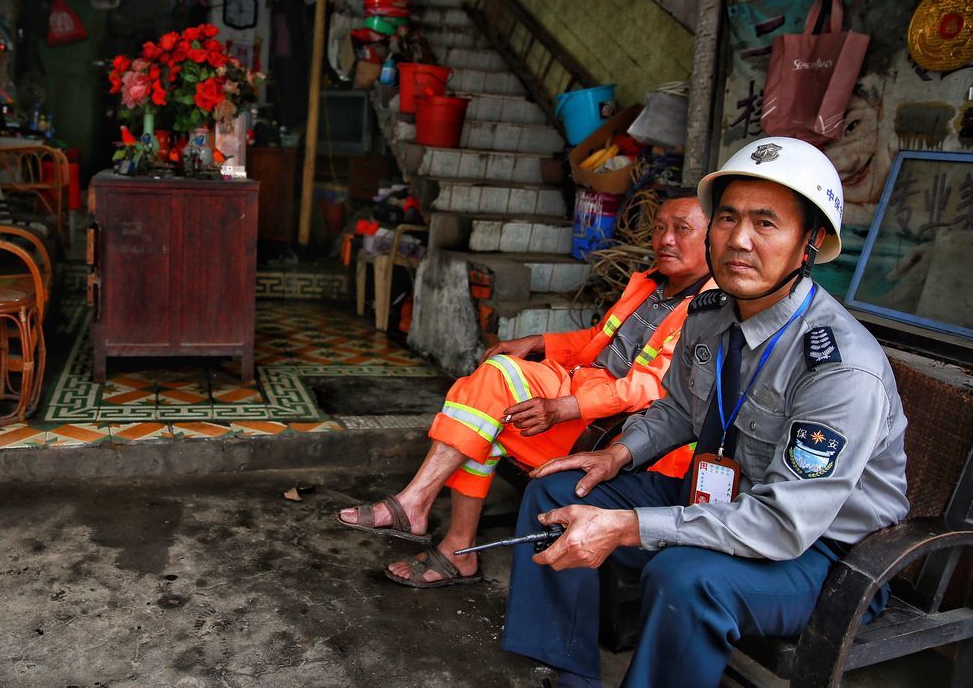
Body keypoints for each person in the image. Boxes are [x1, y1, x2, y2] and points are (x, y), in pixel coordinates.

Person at [503, 137, 910, 688]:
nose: (739, 241)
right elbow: (678, 407)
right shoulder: (711, 313)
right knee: (559, 490)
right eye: (727, 218)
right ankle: (571, 674)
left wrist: (627, 526)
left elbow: (783, 524)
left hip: (825, 556)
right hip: (722, 498)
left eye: (766, 224)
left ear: (809, 241)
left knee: (684, 577)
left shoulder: (839, 368)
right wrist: (616, 455)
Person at [335, 190, 713, 588]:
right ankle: (440, 534)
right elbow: (600, 338)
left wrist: (565, 406)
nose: (665, 239)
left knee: (486, 408)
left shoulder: (709, 309)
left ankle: (429, 520)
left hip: (620, 433)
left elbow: (653, 387)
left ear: (712, 239)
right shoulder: (652, 285)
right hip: (583, 389)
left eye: (682, 230)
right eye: (659, 228)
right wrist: (540, 342)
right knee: (485, 403)